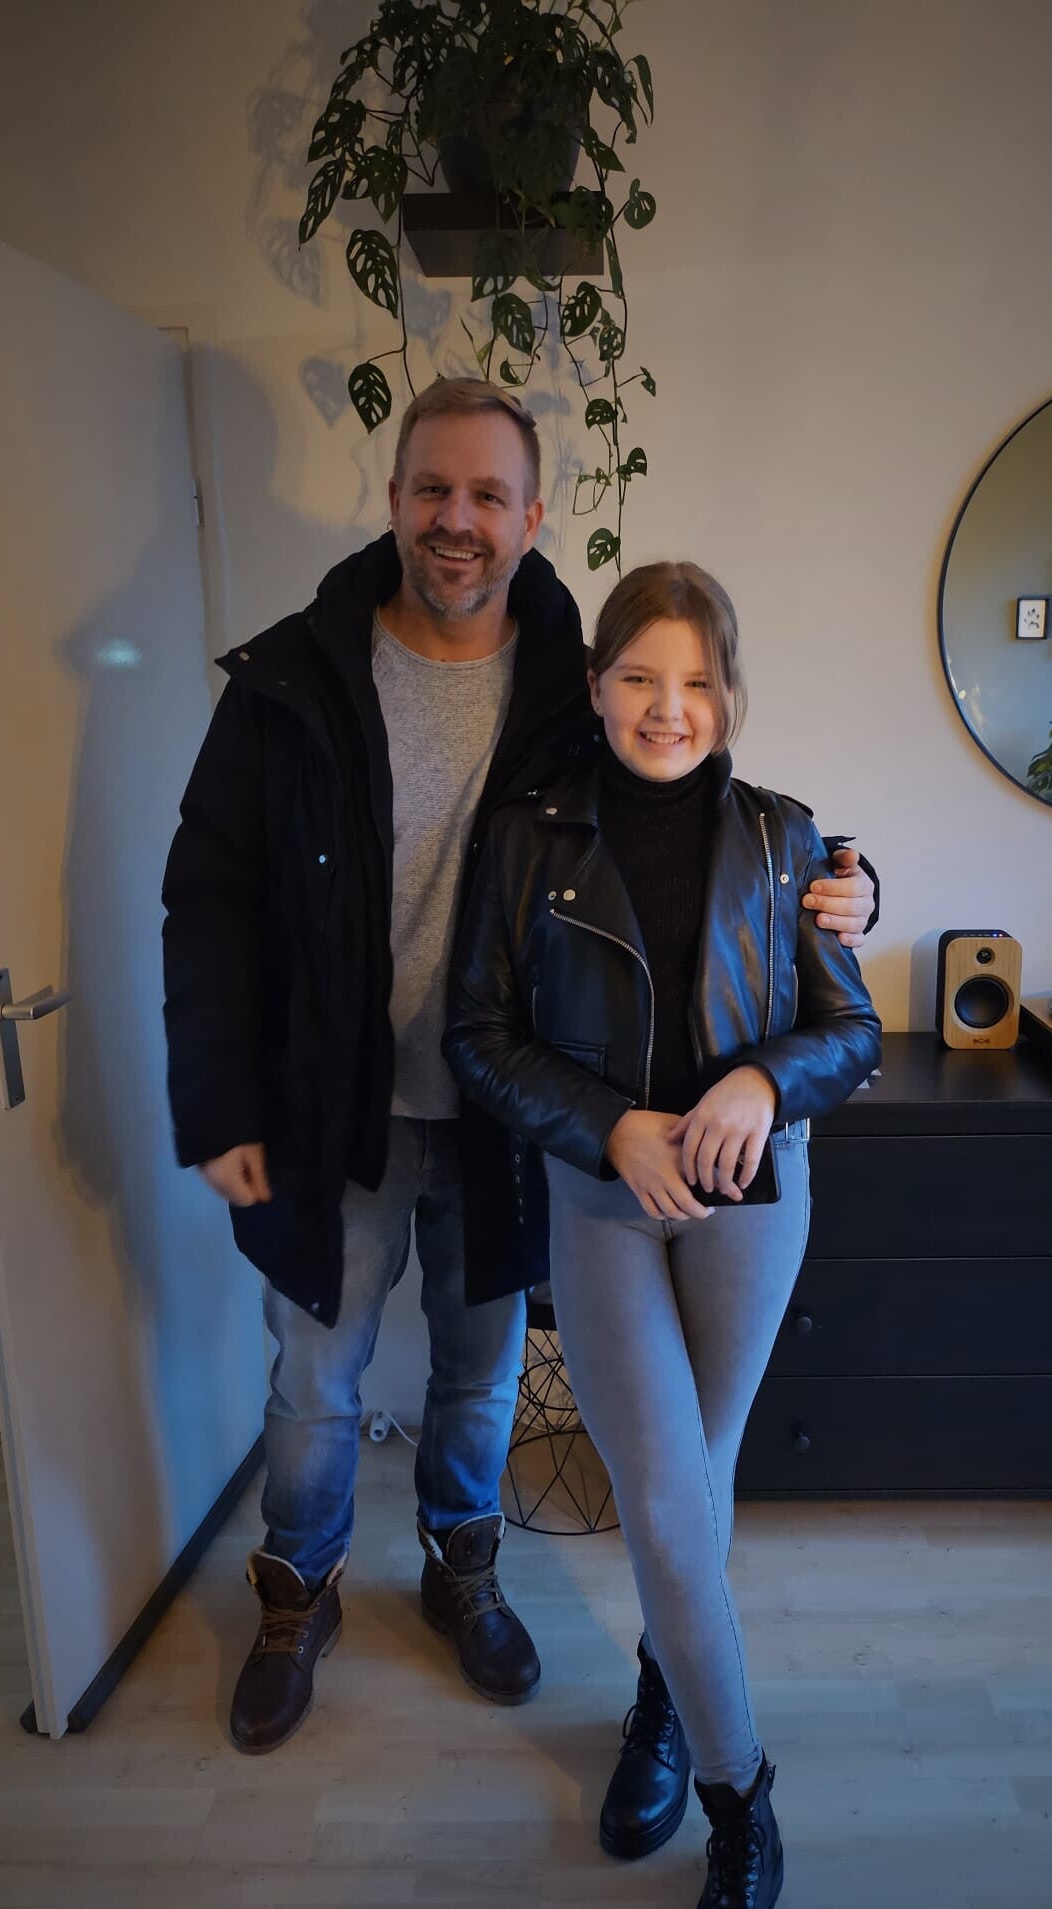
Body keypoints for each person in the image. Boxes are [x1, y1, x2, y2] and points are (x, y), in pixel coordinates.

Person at [161, 379, 878, 1756]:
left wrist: (854, 888)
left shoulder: (567, 675)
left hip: (512, 1110)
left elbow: (699, 813)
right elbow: (210, 901)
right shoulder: (293, 680)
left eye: (488, 495)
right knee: (315, 1379)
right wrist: (219, 1100)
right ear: (394, 500)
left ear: (532, 517)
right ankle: (297, 1594)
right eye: (434, 488)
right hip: (335, 1106)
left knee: (481, 1373)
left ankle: (461, 1567)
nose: (458, 518)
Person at [445, 560, 882, 1909]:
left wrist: (764, 1079)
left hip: (754, 1206)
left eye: (697, 681)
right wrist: (610, 1125)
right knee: (665, 1504)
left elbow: (853, 1032)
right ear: (597, 686)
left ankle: (660, 1698)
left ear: (731, 697)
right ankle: (744, 1810)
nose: (667, 706)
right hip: (609, 1204)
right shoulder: (529, 839)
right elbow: (479, 1035)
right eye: (640, 676)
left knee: (696, 1487)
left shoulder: (788, 840)